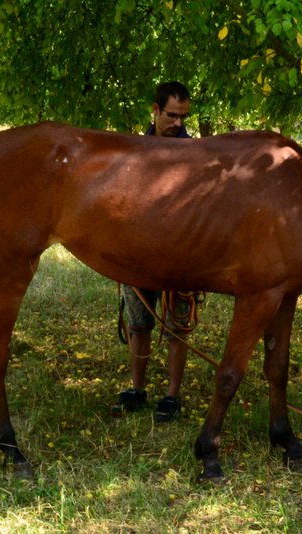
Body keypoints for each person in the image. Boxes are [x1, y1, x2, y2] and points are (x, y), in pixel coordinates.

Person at [112, 81, 194, 423]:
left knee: (178, 327)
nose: (178, 123)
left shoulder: (194, 152)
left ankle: (172, 396)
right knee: (138, 324)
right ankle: (137, 388)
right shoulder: (136, 149)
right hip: (139, 254)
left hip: (182, 254)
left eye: (183, 117)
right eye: (172, 116)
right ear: (156, 110)